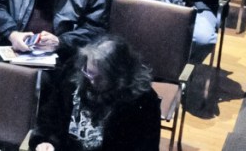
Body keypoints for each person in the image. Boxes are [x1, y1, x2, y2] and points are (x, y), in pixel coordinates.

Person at [30, 35, 161, 151]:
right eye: (89, 73)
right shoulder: (71, 75)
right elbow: (49, 117)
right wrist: (45, 141)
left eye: (99, 78)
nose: (91, 81)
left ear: (119, 78)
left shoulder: (143, 102)